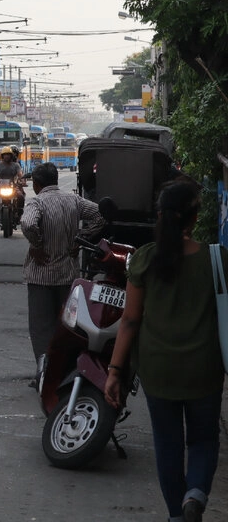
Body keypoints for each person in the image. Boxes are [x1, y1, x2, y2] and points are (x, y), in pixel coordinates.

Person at [104, 179, 224, 522]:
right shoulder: (216, 261)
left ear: (160, 216)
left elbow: (129, 321)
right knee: (202, 441)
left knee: (168, 446)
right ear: (194, 218)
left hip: (158, 371)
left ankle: (176, 515)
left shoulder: (144, 260)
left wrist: (115, 372)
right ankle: (195, 497)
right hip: (204, 370)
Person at [18, 161, 104, 382]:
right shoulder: (74, 201)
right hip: (68, 275)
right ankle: (63, 373)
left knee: (41, 327)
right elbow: (101, 215)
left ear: (37, 184)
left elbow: (27, 224)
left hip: (41, 275)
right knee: (66, 326)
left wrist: (37, 245)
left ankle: (44, 374)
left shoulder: (37, 203)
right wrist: (83, 237)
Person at [0, 146, 26, 224]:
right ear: (2, 156)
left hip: (13, 187)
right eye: (5, 154)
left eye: (8, 154)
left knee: (20, 196)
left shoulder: (16, 165)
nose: (6, 156)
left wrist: (23, 182)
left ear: (11, 156)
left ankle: (18, 216)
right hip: (0, 186)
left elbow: (20, 175)